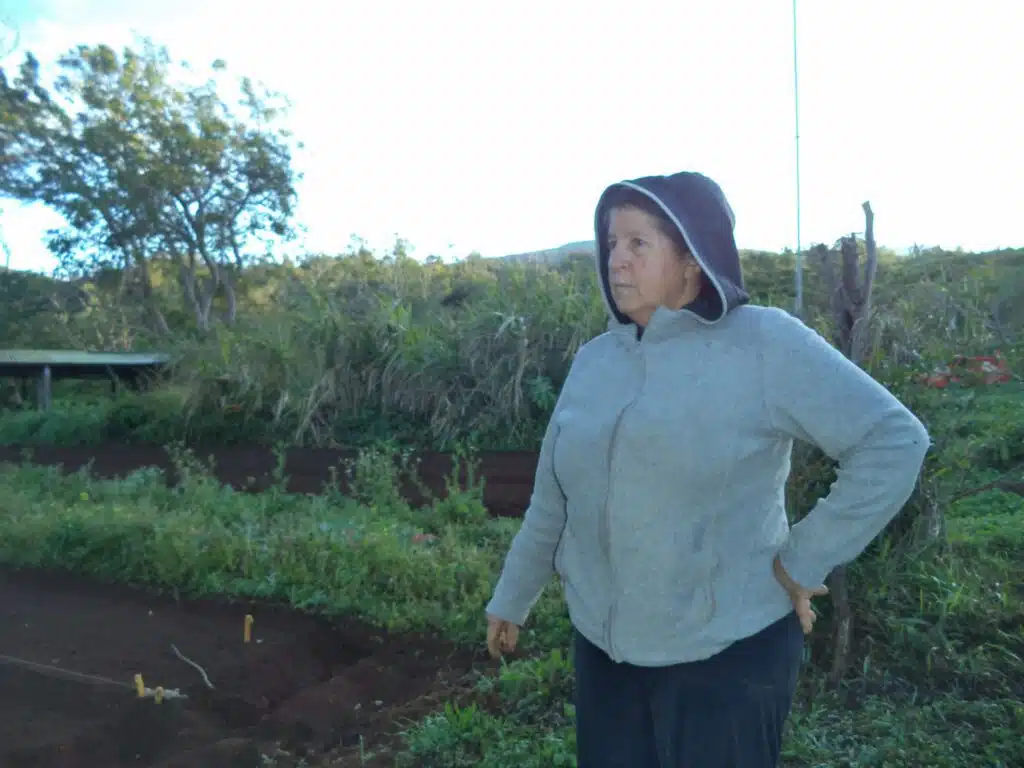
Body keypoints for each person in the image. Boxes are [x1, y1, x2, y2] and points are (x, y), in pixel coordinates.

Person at [483, 171, 931, 767]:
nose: (616, 261)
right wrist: (512, 596)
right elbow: (553, 500)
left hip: (727, 657)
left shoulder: (762, 343)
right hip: (605, 655)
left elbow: (893, 439)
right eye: (611, 243)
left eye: (638, 244)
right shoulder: (596, 362)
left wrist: (804, 559)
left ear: (692, 259)